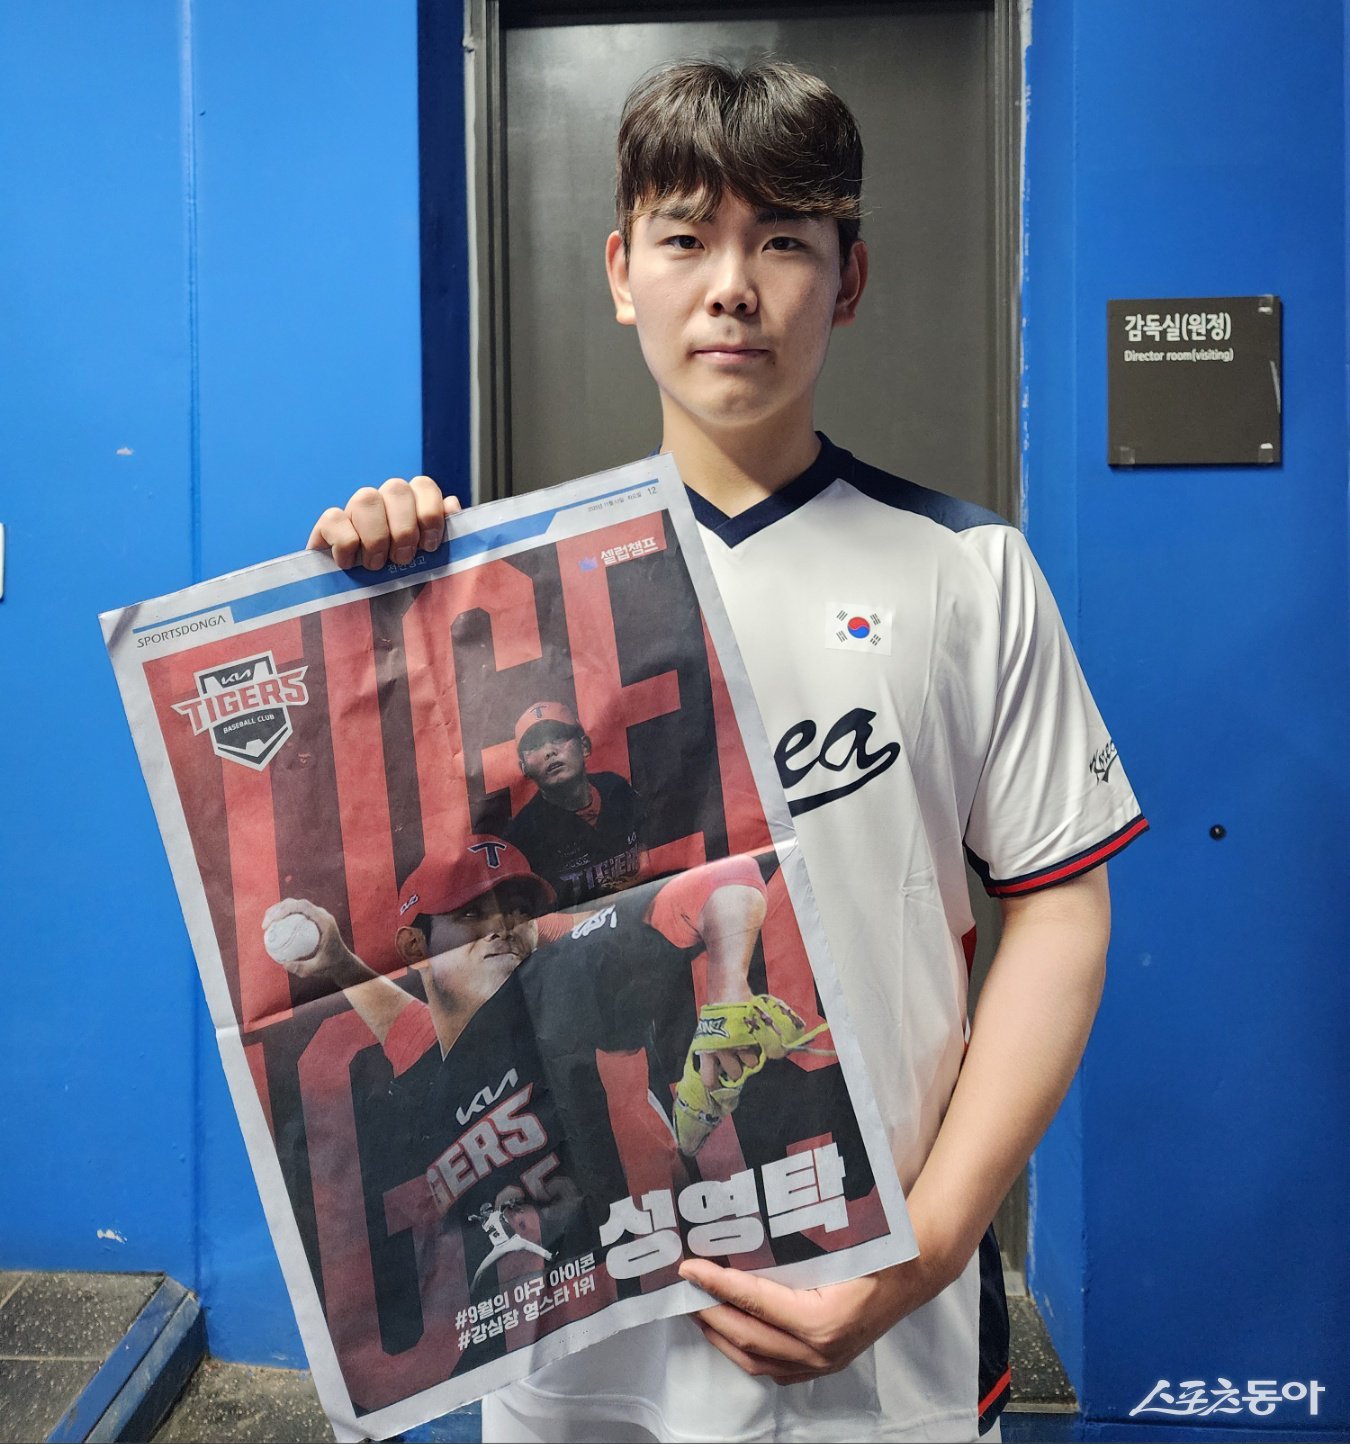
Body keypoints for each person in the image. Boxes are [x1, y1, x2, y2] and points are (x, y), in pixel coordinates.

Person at [307, 58, 1146, 1444]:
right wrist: (364, 594)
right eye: (687, 238)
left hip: (882, 1320)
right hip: (580, 1346)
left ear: (850, 277)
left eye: (784, 242)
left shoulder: (967, 569)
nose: (733, 287)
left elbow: (1060, 911)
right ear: (620, 271)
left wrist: (928, 1250)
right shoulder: (485, 601)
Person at [263, 838, 799, 1325]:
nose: (502, 926)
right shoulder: (436, 1060)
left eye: (519, 909)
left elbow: (722, 877)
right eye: (471, 913)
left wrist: (728, 989)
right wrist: (339, 963)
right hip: (535, 1328)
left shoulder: (575, 976)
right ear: (415, 949)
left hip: (664, 1291)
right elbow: (412, 1030)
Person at [504, 700, 645, 907]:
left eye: (558, 737)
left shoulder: (616, 788)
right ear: (524, 767)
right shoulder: (522, 835)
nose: (549, 751)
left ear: (584, 746)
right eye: (535, 746)